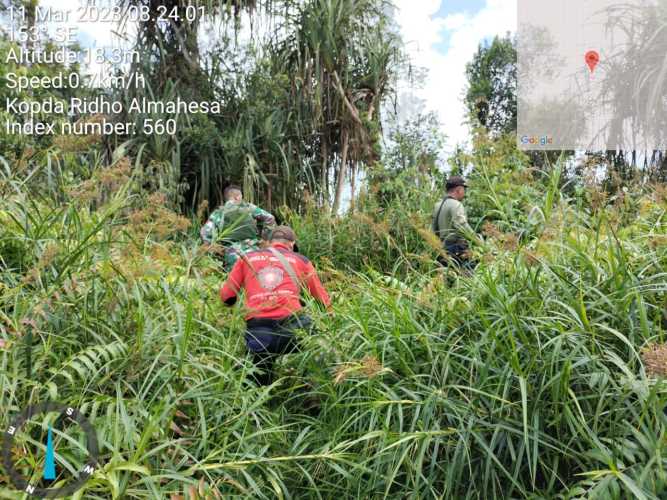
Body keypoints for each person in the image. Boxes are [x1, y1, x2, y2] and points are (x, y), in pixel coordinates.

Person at [220, 226, 331, 386]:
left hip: (259, 331)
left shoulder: (247, 258)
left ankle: (257, 399)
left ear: (268, 243)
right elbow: (323, 301)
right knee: (318, 344)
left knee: (258, 381)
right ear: (292, 244)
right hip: (294, 329)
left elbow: (227, 297)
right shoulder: (301, 260)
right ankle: (310, 390)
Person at [200, 185, 276, 269]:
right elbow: (270, 218)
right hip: (254, 250)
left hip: (232, 253)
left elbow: (206, 233)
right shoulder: (248, 207)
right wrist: (264, 240)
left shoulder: (218, 213)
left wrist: (216, 252)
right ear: (237, 197)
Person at [432, 176, 479, 270]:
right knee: (468, 277)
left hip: (442, 249)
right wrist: (477, 240)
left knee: (449, 280)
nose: (464, 193)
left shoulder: (437, 205)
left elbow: (433, 229)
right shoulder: (456, 204)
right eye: (463, 190)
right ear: (458, 190)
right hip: (457, 249)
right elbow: (461, 226)